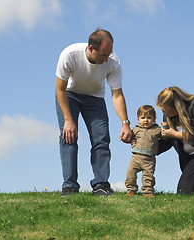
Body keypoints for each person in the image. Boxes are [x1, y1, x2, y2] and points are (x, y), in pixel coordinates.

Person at [55, 28, 132, 196]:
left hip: (95, 98)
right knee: (68, 136)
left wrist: (125, 123)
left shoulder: (113, 61)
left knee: (101, 138)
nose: (106, 59)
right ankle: (69, 186)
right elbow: (59, 90)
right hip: (69, 94)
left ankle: (101, 184)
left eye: (109, 53)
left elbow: (117, 94)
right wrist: (69, 120)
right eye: (103, 55)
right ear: (90, 48)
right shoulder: (69, 54)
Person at [125, 105, 161, 197]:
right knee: (130, 173)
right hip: (135, 157)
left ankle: (148, 191)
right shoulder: (136, 129)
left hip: (149, 159)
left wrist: (166, 128)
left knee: (148, 176)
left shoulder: (157, 130)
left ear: (154, 119)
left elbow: (166, 136)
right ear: (138, 119)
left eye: (149, 118)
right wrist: (127, 139)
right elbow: (129, 138)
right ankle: (131, 190)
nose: (146, 120)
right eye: (143, 118)